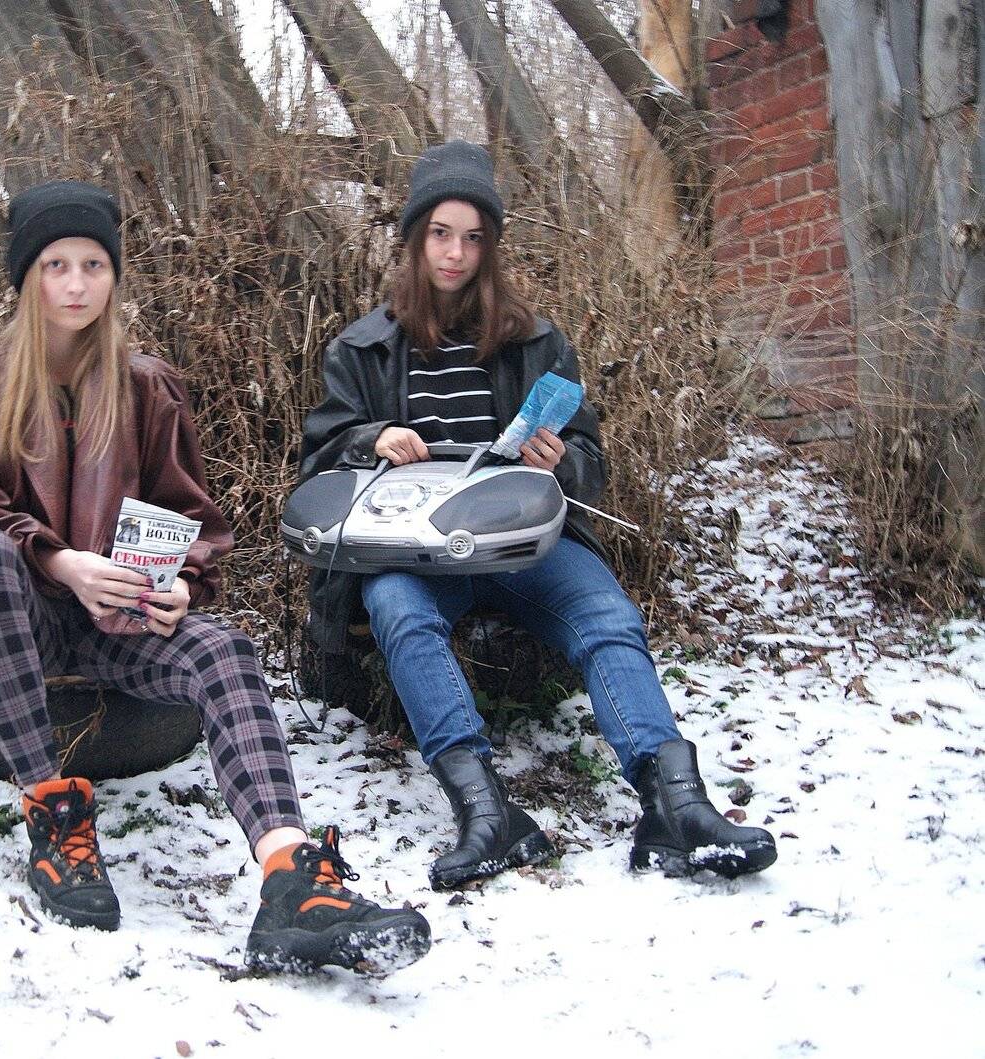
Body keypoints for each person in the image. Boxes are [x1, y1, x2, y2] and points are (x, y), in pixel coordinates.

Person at [0, 180, 430, 973]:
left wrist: (182, 580)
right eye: (55, 265)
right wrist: (61, 561)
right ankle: (54, 818)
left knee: (224, 650)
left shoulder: (145, 387)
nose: (77, 284)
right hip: (19, 619)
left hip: (118, 626)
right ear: (26, 277)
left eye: (93, 264)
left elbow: (188, 515)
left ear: (115, 275)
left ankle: (292, 878)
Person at [299, 143, 777, 887]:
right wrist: (372, 438)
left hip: (524, 542)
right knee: (396, 607)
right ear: (415, 237)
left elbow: (591, 464)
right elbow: (321, 460)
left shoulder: (537, 342)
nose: (455, 253)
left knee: (606, 616)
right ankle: (487, 813)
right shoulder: (362, 350)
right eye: (440, 234)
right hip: (416, 554)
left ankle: (675, 805)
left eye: (473, 238)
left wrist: (559, 460)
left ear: (490, 248)